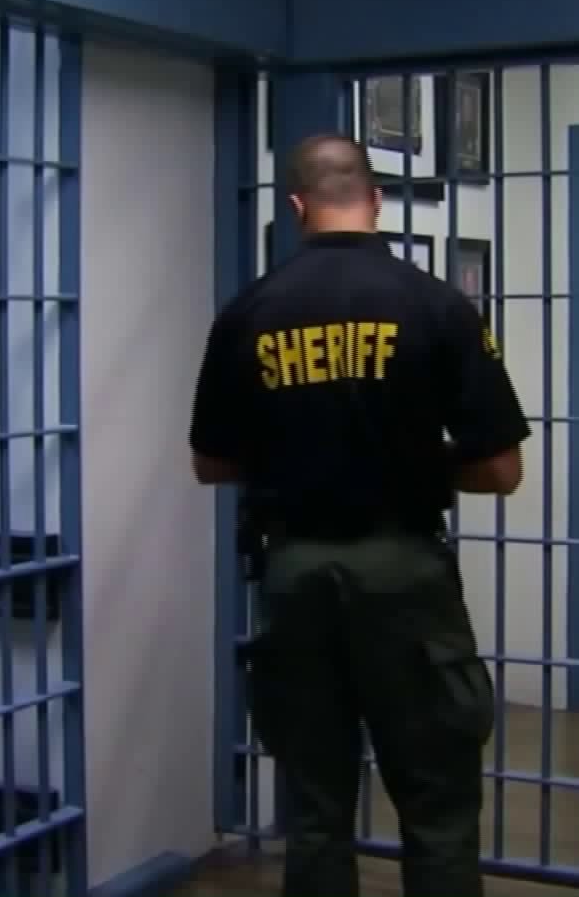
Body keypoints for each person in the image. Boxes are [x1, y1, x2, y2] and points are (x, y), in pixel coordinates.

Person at [188, 133, 532, 897]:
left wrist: (297, 453)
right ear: (376, 200)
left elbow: (210, 462)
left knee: (314, 811)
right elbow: (501, 469)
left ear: (296, 206)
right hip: (404, 572)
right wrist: (409, 458)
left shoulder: (247, 313)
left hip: (296, 572)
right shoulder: (437, 304)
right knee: (437, 809)